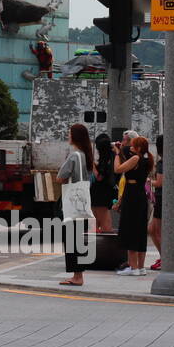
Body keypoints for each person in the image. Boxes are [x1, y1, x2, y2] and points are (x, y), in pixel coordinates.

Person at [57, 123, 97, 286]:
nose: (68, 136)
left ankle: (77, 276)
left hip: (72, 203)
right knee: (78, 239)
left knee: (70, 239)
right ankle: (79, 275)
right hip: (83, 202)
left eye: (69, 133)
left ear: (75, 136)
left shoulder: (74, 156)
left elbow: (60, 177)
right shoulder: (87, 155)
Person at [114, 135, 153, 275]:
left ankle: (133, 267)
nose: (130, 146)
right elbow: (128, 167)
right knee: (140, 230)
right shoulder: (147, 159)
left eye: (133, 144)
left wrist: (117, 154)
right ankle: (141, 267)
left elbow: (118, 169)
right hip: (140, 196)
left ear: (139, 147)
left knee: (130, 229)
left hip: (132, 197)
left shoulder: (136, 158)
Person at [90, 133, 116, 234]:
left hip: (100, 195)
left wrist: (92, 165)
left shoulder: (106, 159)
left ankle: (105, 247)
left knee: (104, 224)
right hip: (105, 193)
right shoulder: (112, 156)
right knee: (96, 221)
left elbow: (99, 177)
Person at [148, 136, 164, 270]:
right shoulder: (170, 161)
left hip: (160, 197)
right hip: (161, 198)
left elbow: (159, 182)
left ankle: (165, 257)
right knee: (154, 230)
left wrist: (147, 182)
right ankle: (164, 256)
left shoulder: (162, 163)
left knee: (154, 230)